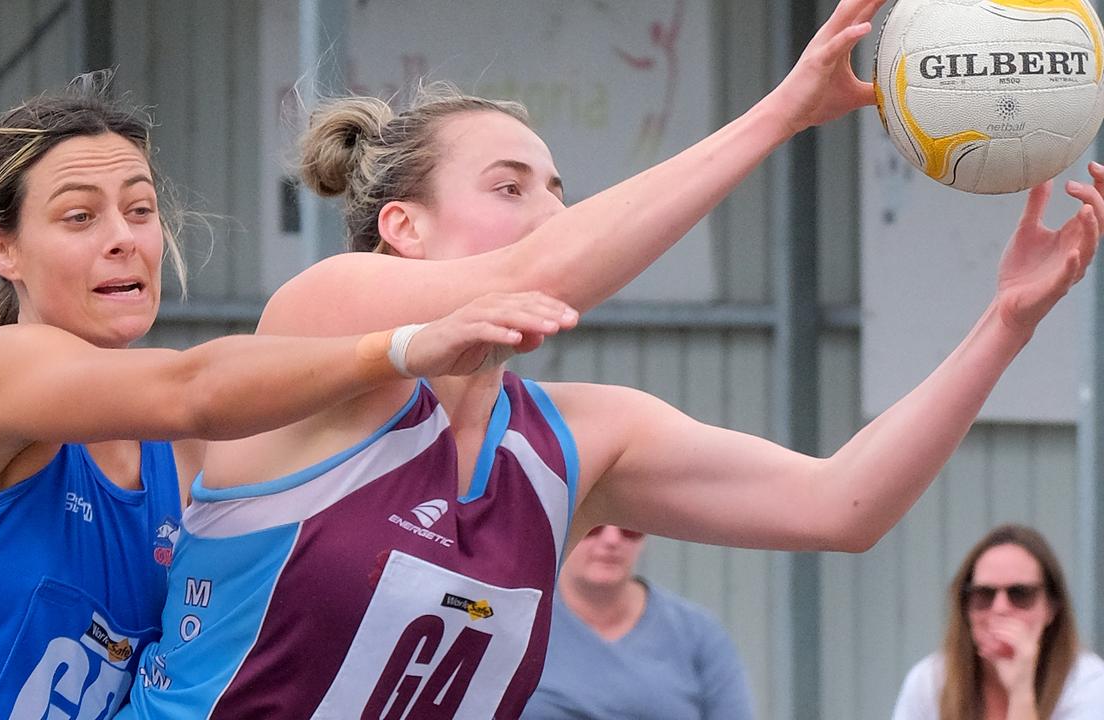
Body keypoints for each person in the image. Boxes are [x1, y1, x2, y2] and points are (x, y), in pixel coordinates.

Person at [122, 0, 1104, 716]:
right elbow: (549, 266)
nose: (551, 212)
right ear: (399, 228)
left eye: (557, 189)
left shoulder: (575, 443)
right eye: (510, 185)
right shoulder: (323, 316)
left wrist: (1007, 322)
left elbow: (840, 506)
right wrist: (780, 113)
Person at [0, 74, 578, 720]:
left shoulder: (184, 458)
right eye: (79, 217)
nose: (124, 238)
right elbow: (196, 388)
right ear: (3, 249)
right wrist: (402, 345)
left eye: (140, 209)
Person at [522, 525, 754, 719]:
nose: (612, 540)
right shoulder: (520, 619)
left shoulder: (699, 634)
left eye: (629, 529)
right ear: (562, 529)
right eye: (594, 526)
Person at [891, 524, 1104, 720]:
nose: (1000, 608)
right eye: (983, 595)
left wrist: (1021, 690)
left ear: (1052, 608)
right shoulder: (931, 681)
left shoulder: (1087, 681)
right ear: (965, 607)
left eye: (1020, 594)